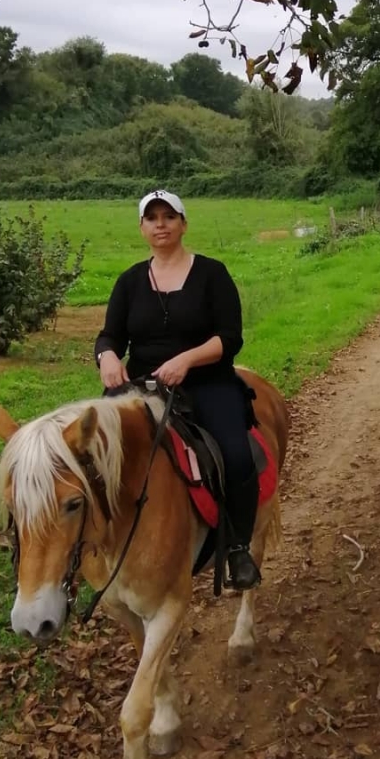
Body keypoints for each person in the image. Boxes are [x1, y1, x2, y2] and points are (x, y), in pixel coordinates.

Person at [94, 189, 262, 590]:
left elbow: (230, 338)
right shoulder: (130, 282)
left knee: (237, 455)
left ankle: (238, 548)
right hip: (140, 388)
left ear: (183, 223)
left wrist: (187, 360)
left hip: (206, 381)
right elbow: (109, 336)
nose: (160, 225)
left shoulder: (212, 274)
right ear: (142, 228)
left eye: (168, 216)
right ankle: (97, 539)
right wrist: (108, 358)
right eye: (151, 218)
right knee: (96, 454)